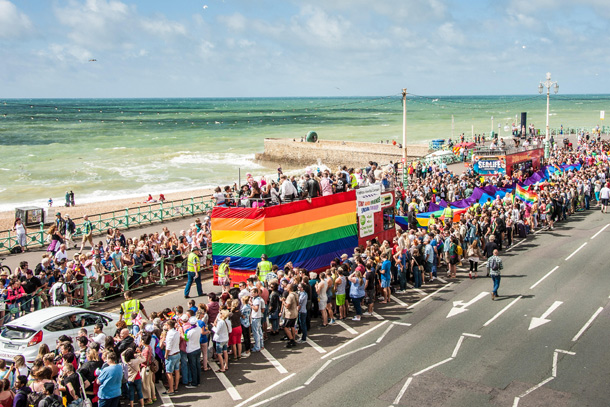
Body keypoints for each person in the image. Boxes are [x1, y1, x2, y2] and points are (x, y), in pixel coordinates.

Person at [163, 319, 181, 395]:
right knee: (177, 370)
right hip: (177, 353)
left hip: (171, 355)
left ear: (168, 326)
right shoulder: (176, 332)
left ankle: (171, 389)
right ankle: (176, 386)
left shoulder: (169, 334)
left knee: (169, 373)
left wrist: (166, 355)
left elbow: (168, 347)